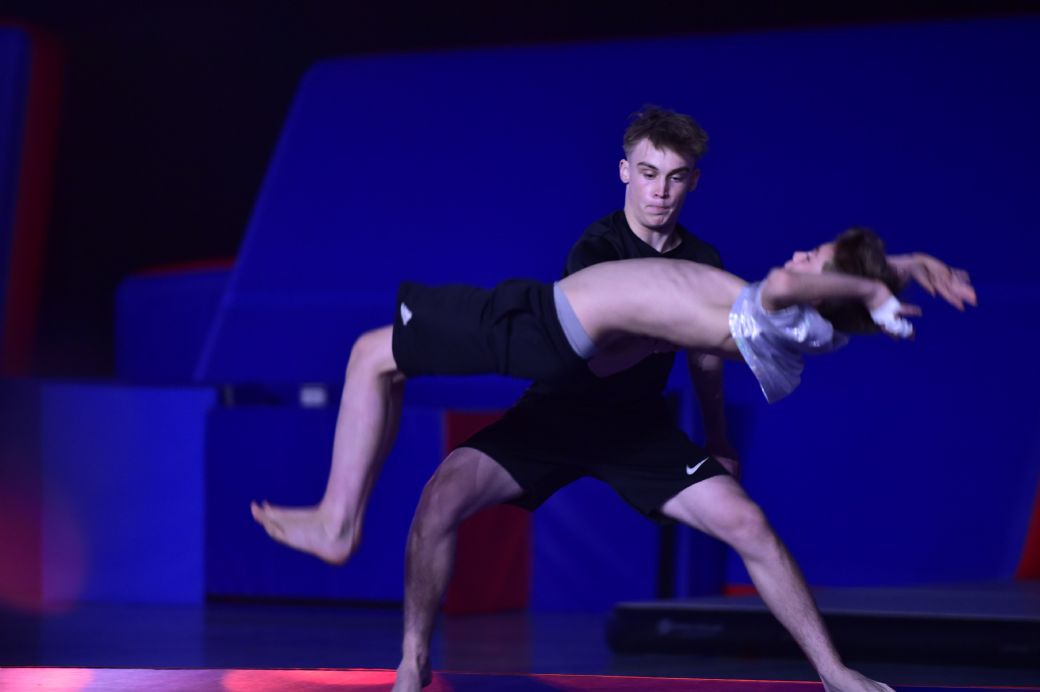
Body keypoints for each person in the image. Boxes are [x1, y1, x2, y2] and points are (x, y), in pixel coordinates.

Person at [252, 109, 975, 692]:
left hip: (586, 378)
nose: (660, 191)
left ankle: (337, 522)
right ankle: (411, 663)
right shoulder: (646, 261)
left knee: (369, 355)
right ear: (626, 171)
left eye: (676, 177)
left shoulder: (775, 301)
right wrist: (904, 267)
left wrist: (868, 287)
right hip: (558, 402)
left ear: (692, 183)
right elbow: (799, 303)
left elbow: (780, 301)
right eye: (648, 173)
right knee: (435, 485)